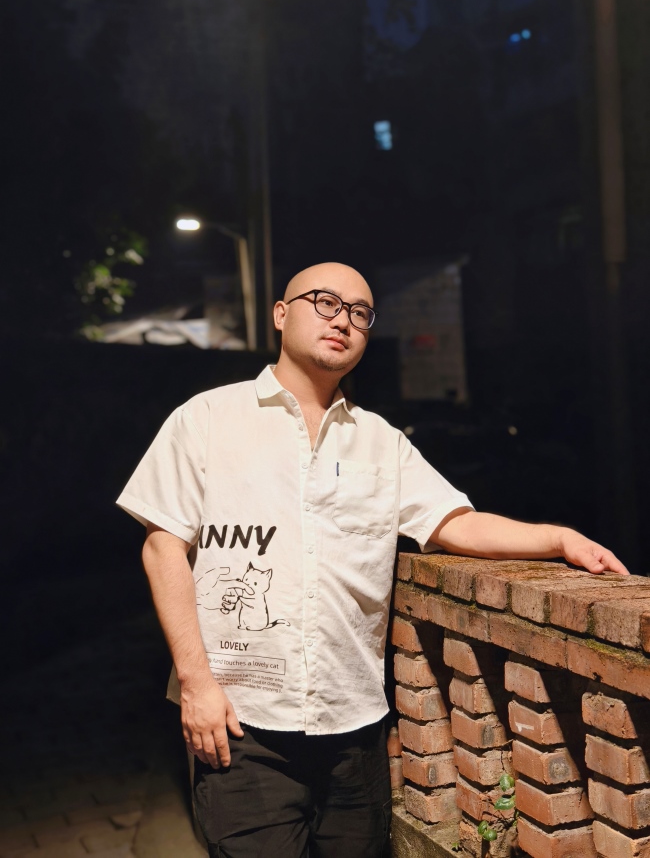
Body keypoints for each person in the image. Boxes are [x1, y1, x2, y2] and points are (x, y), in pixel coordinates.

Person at [117, 262, 627, 858]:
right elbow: (163, 548)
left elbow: (453, 523)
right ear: (281, 314)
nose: (342, 321)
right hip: (240, 722)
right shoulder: (206, 418)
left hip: (353, 727)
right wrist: (197, 684)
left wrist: (558, 540)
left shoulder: (381, 440)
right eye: (325, 302)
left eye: (359, 313)